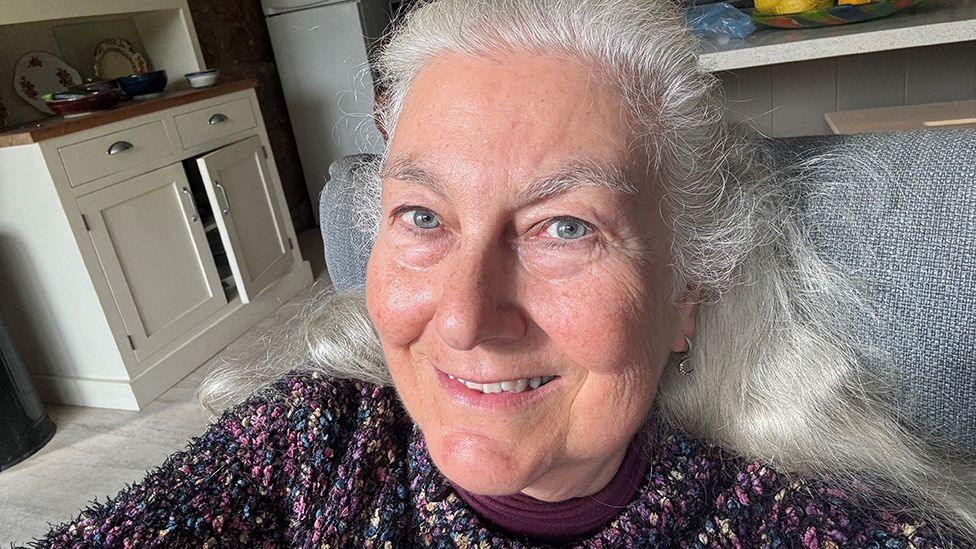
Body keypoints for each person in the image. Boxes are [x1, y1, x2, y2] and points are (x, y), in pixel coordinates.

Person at [27, 0, 976, 546]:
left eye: (565, 226)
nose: (467, 316)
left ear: (687, 286)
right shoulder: (305, 447)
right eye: (424, 216)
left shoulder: (813, 529)